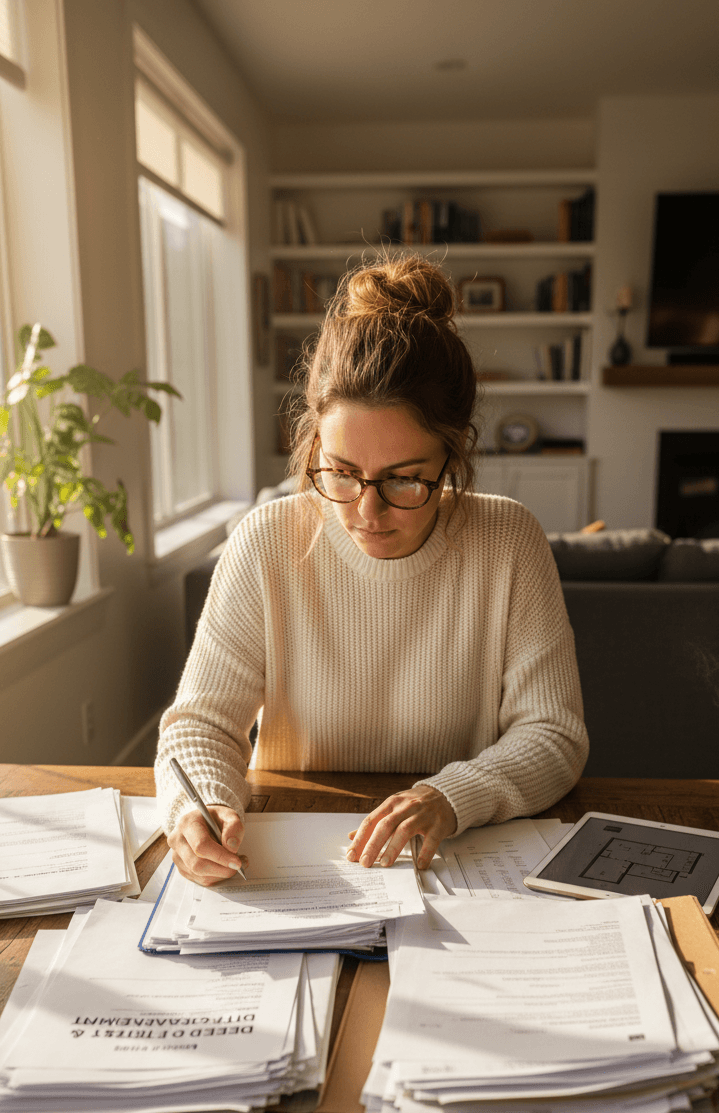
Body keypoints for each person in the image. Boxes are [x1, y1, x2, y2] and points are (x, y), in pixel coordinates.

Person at [155, 254, 588, 885]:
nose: (367, 512)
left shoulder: (508, 541)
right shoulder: (266, 541)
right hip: (295, 864)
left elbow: (554, 735)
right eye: (341, 472)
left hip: (457, 863)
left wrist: (450, 795)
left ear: (453, 456)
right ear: (312, 446)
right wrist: (201, 804)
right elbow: (200, 725)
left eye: (405, 479)